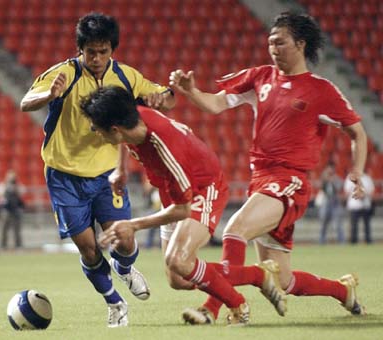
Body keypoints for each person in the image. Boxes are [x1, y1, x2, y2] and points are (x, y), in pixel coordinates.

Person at [169, 11, 367, 324]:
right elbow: (217, 104)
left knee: (235, 230)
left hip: (290, 181)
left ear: (300, 44)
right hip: (261, 181)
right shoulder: (260, 77)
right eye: (270, 42)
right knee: (285, 282)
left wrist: (356, 170)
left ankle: (216, 308)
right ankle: (343, 291)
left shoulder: (321, 90)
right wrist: (191, 91)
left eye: (280, 42)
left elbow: (357, 131)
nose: (272, 48)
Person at [80, 85, 288, 326]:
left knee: (179, 260)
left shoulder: (165, 148)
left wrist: (133, 225)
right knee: (177, 279)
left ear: (114, 129)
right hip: (173, 189)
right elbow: (125, 138)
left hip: (202, 187)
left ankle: (238, 305)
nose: (95, 131)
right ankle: (258, 274)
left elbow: (183, 209)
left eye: (97, 128)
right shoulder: (132, 118)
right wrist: (121, 169)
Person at [20, 12, 175, 327]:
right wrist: (49, 95)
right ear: (81, 49)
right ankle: (115, 303)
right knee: (89, 248)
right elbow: (26, 102)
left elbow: (164, 98)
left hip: (106, 176)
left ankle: (124, 268)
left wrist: (166, 96)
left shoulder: (126, 76)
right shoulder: (63, 73)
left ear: (112, 50)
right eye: (91, 51)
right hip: (64, 177)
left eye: (103, 51)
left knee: (126, 242)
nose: (97, 58)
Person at [0, 170, 25, 249]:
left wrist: (15, 188)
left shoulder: (18, 186)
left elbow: (22, 193)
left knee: (17, 230)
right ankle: (2, 245)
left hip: (15, 210)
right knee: (3, 229)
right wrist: (7, 187)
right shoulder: (2, 186)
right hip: (6, 210)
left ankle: (18, 246)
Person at [316, 163, 345, 244]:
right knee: (323, 223)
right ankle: (322, 241)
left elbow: (339, 188)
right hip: (325, 202)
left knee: (338, 223)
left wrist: (333, 181)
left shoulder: (336, 178)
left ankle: (341, 241)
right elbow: (320, 187)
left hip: (335, 202)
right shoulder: (324, 178)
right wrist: (325, 179)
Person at [344, 171, 375, 244]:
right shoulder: (351, 177)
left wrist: (362, 192)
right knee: (354, 226)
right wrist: (356, 190)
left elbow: (371, 191)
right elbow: (346, 191)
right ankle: (353, 242)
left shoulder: (367, 178)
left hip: (365, 205)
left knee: (367, 226)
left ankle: (368, 241)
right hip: (354, 205)